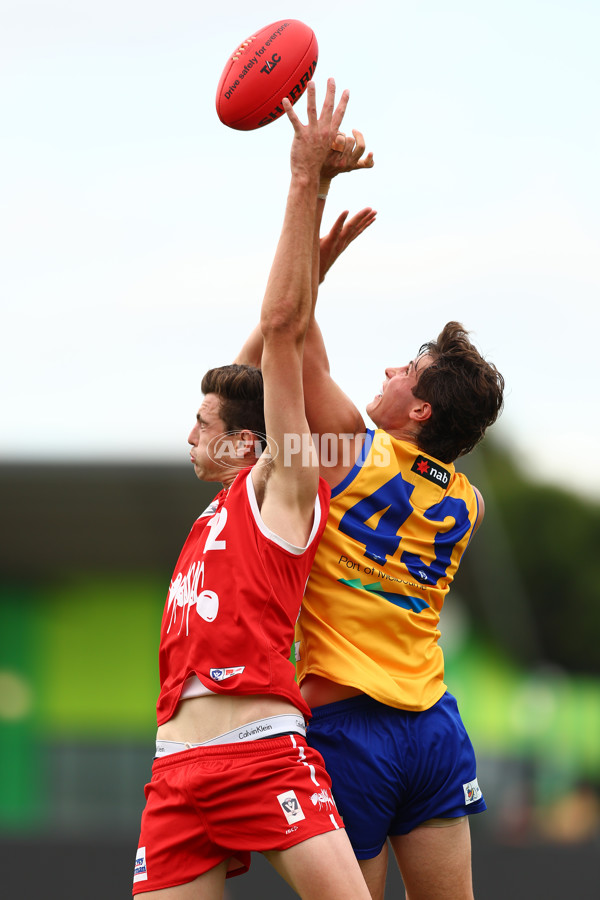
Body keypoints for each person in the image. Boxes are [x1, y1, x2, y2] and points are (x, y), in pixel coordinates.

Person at [238, 141, 505, 900]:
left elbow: (285, 337)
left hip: (351, 730)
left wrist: (312, 196)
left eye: (406, 372)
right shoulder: (468, 503)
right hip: (432, 729)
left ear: (418, 410)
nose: (389, 368)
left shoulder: (353, 450)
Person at [131, 80, 373, 900]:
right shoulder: (220, 504)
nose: (190, 435)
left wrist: (307, 184)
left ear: (244, 443)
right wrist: (312, 272)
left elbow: (276, 336)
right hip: (175, 773)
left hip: (261, 751)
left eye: (202, 424)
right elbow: (260, 345)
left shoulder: (283, 483)